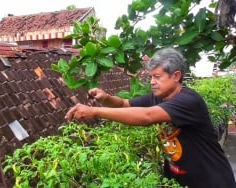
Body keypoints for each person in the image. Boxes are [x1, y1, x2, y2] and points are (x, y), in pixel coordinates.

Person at [65, 48, 236, 188]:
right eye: (151, 77)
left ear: (176, 76)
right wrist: (105, 98)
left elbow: (147, 117)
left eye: (157, 77)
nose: (152, 82)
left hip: (212, 181)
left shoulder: (188, 101)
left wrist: (96, 112)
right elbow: (125, 104)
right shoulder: (158, 97)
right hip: (181, 182)